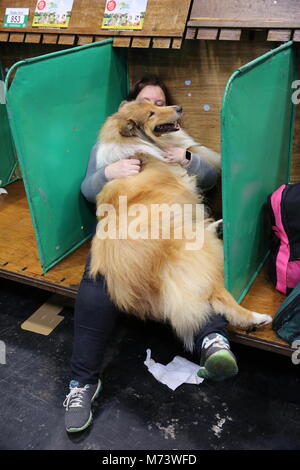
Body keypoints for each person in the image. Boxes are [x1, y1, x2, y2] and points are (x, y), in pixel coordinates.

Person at [63, 75, 238, 433]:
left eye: (160, 102)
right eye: (148, 102)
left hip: (173, 230)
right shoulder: (109, 146)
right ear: (131, 110)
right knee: (98, 281)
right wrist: (108, 173)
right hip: (125, 233)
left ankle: (212, 340)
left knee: (194, 263)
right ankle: (82, 383)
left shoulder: (175, 138)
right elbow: (87, 191)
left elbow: (211, 177)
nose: (156, 107)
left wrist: (187, 158)